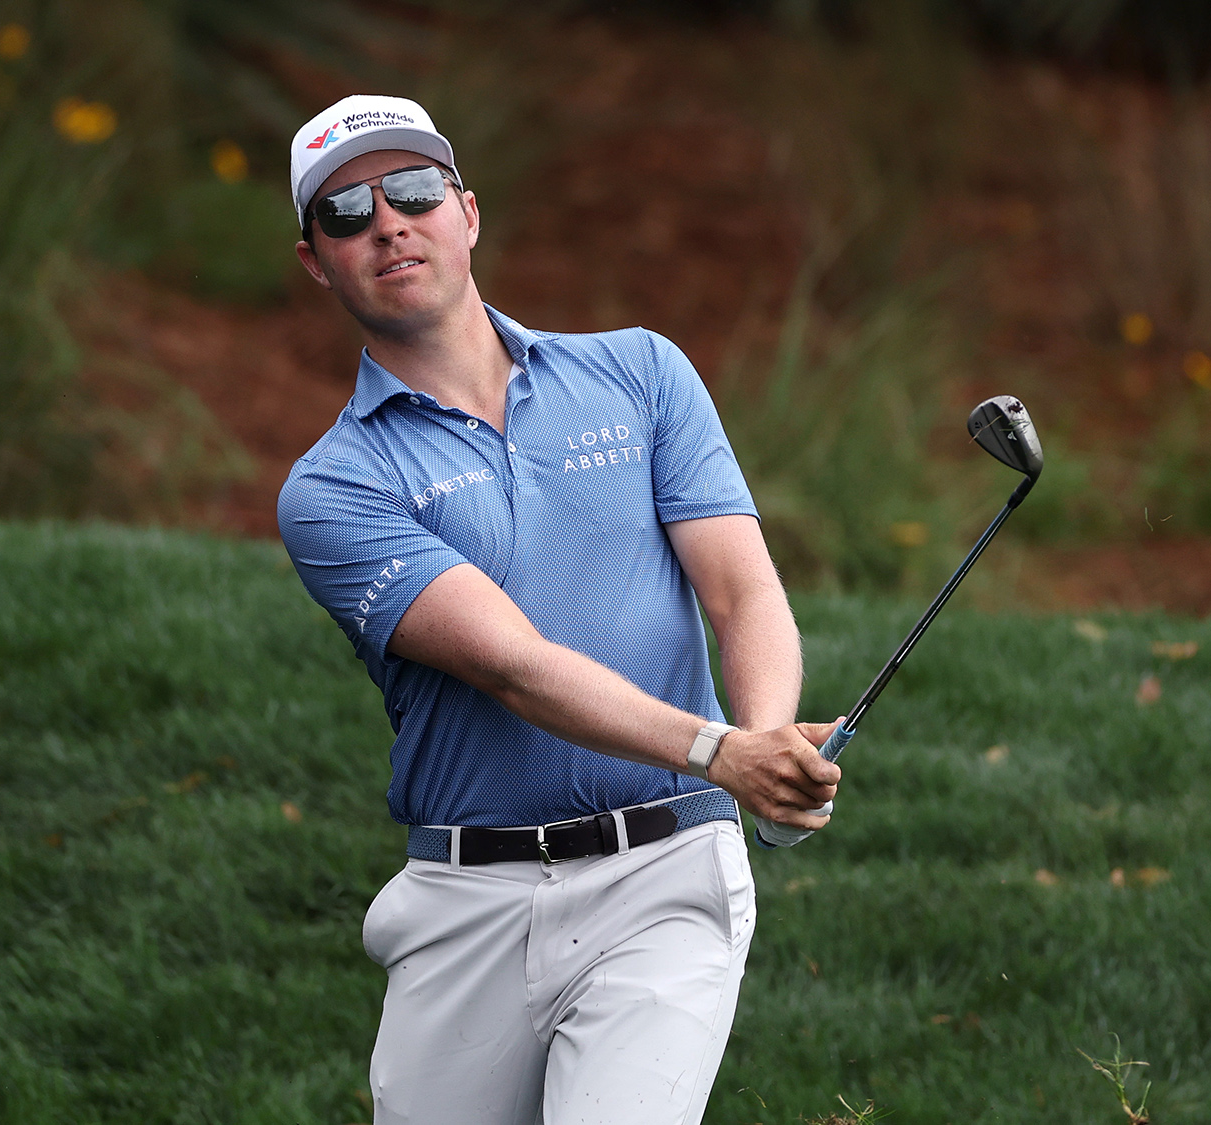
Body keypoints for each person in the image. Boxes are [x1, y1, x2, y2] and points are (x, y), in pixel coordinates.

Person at [275, 94, 841, 1125]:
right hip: (466, 904)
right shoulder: (334, 487)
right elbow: (511, 664)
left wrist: (764, 741)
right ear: (316, 260)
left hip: (668, 870)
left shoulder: (638, 372)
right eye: (347, 214)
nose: (388, 223)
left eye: (411, 191)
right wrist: (724, 751)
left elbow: (740, 587)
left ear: (467, 213)